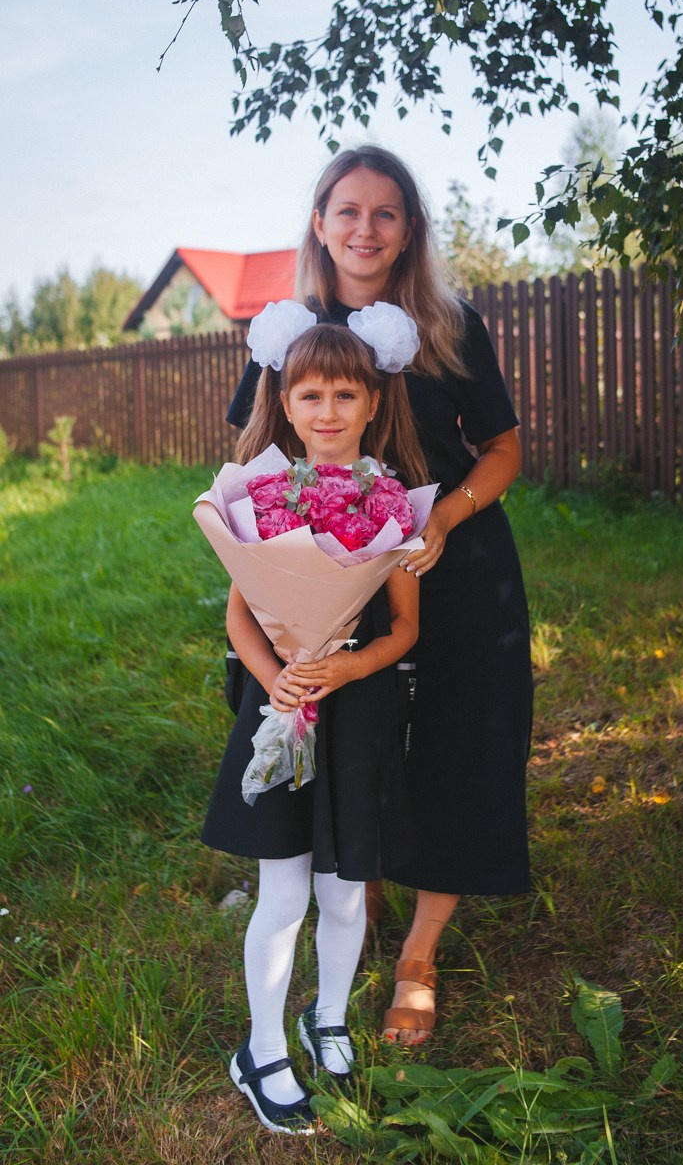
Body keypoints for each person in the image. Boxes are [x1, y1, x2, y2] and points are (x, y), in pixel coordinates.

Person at [227, 144, 533, 1046]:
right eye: (346, 210)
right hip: (327, 584)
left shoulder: (447, 324)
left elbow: (503, 449)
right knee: (348, 744)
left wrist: (445, 521)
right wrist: (275, 565)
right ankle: (338, 904)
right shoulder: (288, 331)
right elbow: (250, 458)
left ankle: (418, 956)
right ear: (319, 222)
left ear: (408, 232)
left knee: (457, 746)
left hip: (452, 568)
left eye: (386, 212)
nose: (365, 227)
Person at [202, 312, 424, 1132]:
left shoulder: (393, 501)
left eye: (344, 394)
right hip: (285, 708)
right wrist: (280, 684)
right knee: (285, 888)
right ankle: (261, 1047)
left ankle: (326, 1016)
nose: (327, 411)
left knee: (342, 892)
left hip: (358, 710)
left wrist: (347, 666)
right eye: (310, 395)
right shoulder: (261, 496)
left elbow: (403, 628)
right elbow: (241, 617)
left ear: (371, 403)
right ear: (286, 405)